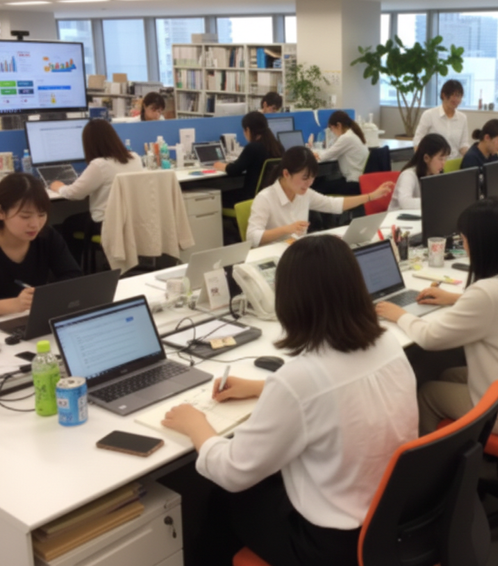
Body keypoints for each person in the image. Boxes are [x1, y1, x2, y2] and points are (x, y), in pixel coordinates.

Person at [162, 235, 418, 566]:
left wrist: (196, 425)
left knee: (221, 497)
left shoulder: (299, 380)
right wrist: (263, 388)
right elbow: (334, 391)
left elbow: (232, 472)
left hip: (329, 547)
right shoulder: (388, 345)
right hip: (389, 519)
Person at [376, 197, 498, 437]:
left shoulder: (485, 294)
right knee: (448, 373)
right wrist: (455, 298)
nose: (463, 246)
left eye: (463, 239)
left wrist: (399, 314)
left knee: (427, 393)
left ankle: (441, 460)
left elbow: (430, 338)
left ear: (479, 244)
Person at [247, 146, 394, 246]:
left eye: (312, 178)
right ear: (286, 174)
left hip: (299, 252)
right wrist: (287, 229)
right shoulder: (265, 198)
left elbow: (333, 204)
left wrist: (370, 196)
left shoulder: (304, 193)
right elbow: (252, 237)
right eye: (305, 178)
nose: (309, 183)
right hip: (273, 256)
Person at [50, 120, 144, 260]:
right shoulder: (135, 158)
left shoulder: (100, 165)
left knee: (68, 223)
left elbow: (74, 194)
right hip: (131, 220)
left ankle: (76, 269)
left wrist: (59, 187)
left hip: (106, 224)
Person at [0, 173, 81, 315]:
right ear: (1, 212)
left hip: (35, 316)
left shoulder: (46, 236)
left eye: (42, 215)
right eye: (25, 216)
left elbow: (73, 275)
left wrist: (46, 294)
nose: (35, 224)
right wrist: (15, 304)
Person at [214, 111, 284, 206]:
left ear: (247, 129)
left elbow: (234, 170)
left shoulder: (253, 147)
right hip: (270, 196)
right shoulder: (278, 146)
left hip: (250, 197)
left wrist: (221, 165)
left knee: (218, 197)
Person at [388, 134, 450, 211]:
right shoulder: (408, 175)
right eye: (440, 159)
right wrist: (434, 202)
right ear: (426, 158)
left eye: (445, 159)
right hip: (397, 216)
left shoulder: (435, 174)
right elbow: (404, 202)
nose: (444, 163)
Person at [314, 111, 370, 196]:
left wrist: (314, 155)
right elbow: (332, 150)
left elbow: (324, 156)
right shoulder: (353, 134)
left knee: (317, 187)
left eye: (332, 129)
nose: (332, 132)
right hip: (359, 181)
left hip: (354, 184)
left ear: (339, 125)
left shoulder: (346, 138)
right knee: (322, 182)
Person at [412, 80, 470, 158]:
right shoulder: (429, 115)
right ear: (444, 95)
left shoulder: (462, 118)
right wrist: (422, 160)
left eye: (459, 96)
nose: (456, 99)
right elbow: (418, 141)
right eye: (453, 95)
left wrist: (472, 155)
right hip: (433, 163)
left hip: (454, 162)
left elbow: (463, 144)